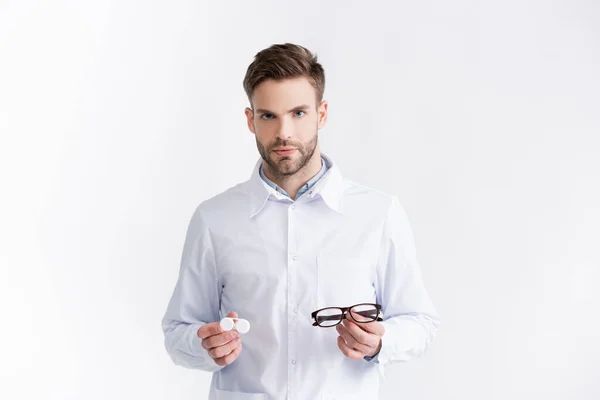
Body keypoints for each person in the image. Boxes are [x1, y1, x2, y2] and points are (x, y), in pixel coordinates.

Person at [161, 43, 440, 400]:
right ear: (250, 120)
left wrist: (379, 343)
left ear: (321, 114)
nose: (284, 133)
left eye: (298, 113)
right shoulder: (214, 219)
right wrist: (205, 346)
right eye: (268, 116)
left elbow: (420, 322)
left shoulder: (378, 214)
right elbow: (178, 330)